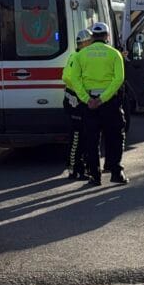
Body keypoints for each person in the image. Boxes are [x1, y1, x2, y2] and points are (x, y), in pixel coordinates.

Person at [68, 22, 127, 185]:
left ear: (92, 36)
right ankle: (116, 173)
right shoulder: (115, 54)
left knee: (91, 140)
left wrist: (87, 99)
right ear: (107, 36)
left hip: (89, 103)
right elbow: (119, 79)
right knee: (115, 137)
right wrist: (103, 98)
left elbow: (74, 79)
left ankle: (95, 176)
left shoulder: (81, 55)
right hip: (110, 103)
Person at [61, 28, 95, 180]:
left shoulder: (80, 55)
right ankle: (74, 168)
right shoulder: (77, 56)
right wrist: (82, 91)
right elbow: (68, 77)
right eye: (90, 42)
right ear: (85, 42)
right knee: (76, 136)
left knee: (83, 136)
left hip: (78, 99)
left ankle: (81, 167)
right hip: (75, 100)